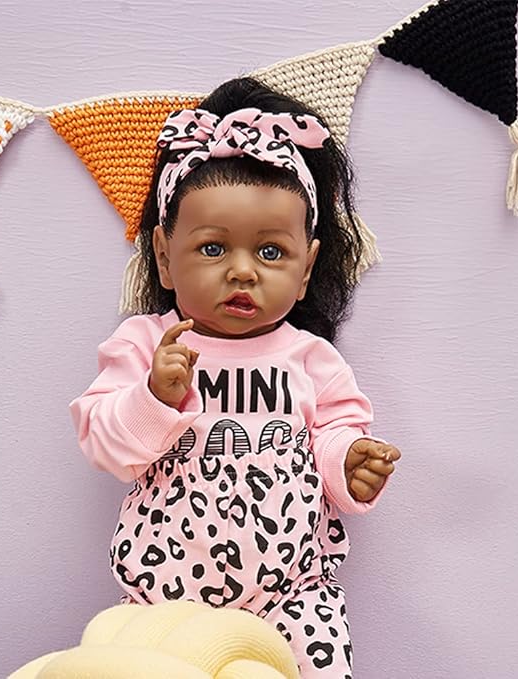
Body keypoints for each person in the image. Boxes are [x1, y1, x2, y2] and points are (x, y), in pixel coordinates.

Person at [69, 76, 401, 677]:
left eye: (271, 252)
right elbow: (104, 444)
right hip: (165, 594)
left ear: (306, 268)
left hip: (294, 593)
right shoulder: (145, 344)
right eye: (213, 248)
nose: (242, 272)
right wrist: (152, 396)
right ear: (164, 256)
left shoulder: (312, 359)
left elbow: (334, 435)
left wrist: (349, 461)